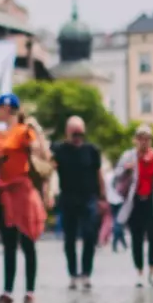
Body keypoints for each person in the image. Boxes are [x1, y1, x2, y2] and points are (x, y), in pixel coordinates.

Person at [0, 93, 47, 303]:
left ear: (8, 108)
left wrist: (36, 132)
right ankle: (8, 292)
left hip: (21, 190)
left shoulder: (23, 131)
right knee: (9, 244)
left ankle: (30, 292)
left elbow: (41, 153)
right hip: (4, 191)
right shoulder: (0, 134)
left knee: (27, 242)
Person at [113, 124, 153, 287]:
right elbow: (116, 177)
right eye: (140, 138)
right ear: (136, 140)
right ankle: (140, 273)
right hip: (135, 203)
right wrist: (127, 170)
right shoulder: (129, 156)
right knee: (137, 239)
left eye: (147, 138)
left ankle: (152, 272)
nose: (144, 142)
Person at [51, 115, 104, 289]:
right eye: (74, 134)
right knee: (70, 238)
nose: (77, 138)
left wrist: (103, 197)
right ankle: (73, 274)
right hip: (68, 198)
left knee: (90, 235)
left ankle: (86, 273)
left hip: (88, 198)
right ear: (67, 132)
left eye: (80, 133)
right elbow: (48, 167)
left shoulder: (92, 150)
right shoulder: (59, 149)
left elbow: (99, 174)